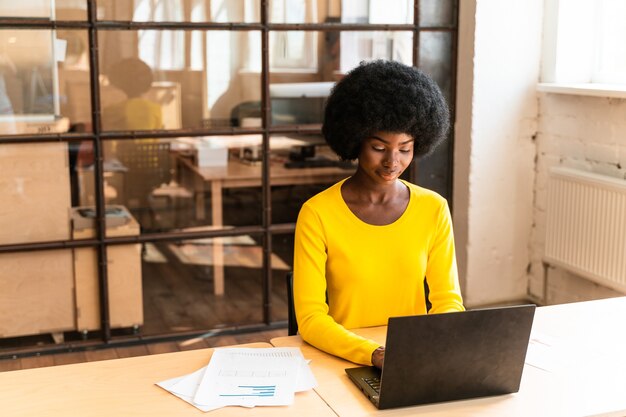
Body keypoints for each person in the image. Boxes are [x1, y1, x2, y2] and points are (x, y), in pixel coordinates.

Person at [293, 60, 465, 369]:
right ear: (356, 140)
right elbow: (310, 318)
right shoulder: (318, 213)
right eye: (378, 147)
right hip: (341, 357)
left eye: (405, 148)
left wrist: (432, 346)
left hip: (412, 358)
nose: (392, 161)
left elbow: (448, 301)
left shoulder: (433, 208)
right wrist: (373, 354)